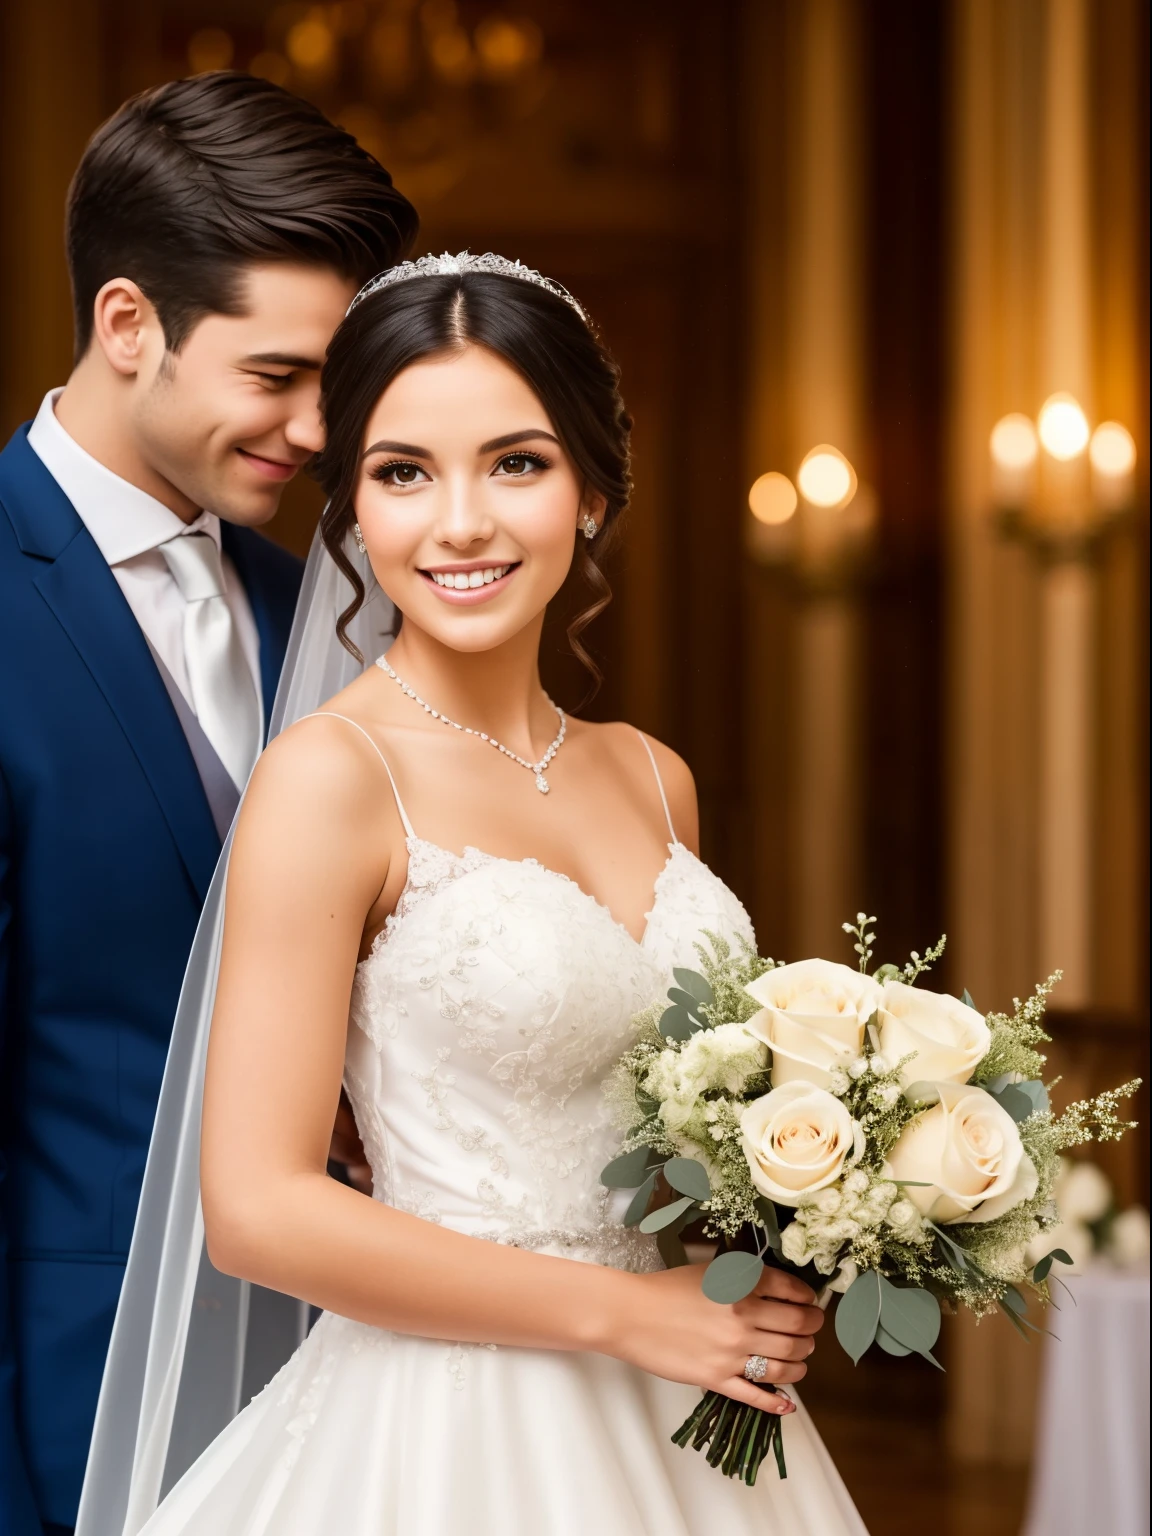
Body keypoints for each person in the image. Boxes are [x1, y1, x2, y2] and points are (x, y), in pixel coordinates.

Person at [88, 254, 867, 1534]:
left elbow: (691, 1132)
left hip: (690, 1419)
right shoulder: (332, 781)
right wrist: (635, 1314)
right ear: (350, 511)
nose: (459, 524)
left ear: (594, 490)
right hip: (441, 1435)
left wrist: (820, 1222)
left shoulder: (652, 779)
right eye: (402, 473)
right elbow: (258, 1210)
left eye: (516, 462)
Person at [0, 72, 417, 1536]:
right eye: (278, 374)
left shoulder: (325, 607)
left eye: (342, 385)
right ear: (129, 325)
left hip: (343, 1406)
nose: (319, 432)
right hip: (55, 1408)